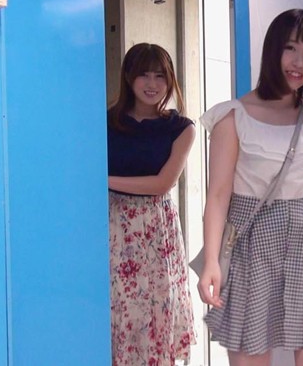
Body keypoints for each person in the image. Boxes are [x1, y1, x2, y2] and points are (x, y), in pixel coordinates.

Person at [196, 9, 303, 365]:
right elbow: (218, 197)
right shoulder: (233, 117)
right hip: (249, 248)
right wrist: (211, 262)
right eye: (290, 48)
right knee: (252, 356)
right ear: (273, 49)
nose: (299, 62)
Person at [107, 43, 196, 365]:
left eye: (160, 76)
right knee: (118, 309)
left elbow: (162, 184)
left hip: (156, 228)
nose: (152, 83)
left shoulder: (181, 128)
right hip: (112, 226)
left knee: (155, 308)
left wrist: (103, 180)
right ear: (128, 77)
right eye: (144, 74)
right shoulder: (104, 122)